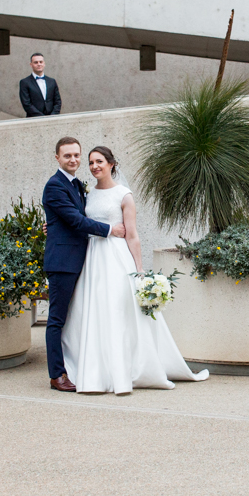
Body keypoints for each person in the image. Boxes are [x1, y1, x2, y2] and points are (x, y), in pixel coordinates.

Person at [62, 146, 209, 394]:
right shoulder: (88, 194)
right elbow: (77, 221)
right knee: (95, 311)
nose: (94, 166)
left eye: (99, 161)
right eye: (91, 162)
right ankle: (97, 370)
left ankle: (127, 369)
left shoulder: (124, 195)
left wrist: (139, 268)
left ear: (111, 164)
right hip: (93, 257)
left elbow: (132, 235)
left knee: (119, 311)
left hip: (116, 258)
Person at [43, 137, 126, 392]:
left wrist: (52, 225)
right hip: (63, 262)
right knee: (57, 319)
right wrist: (110, 229)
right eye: (67, 155)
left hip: (82, 259)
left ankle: (77, 366)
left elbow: (72, 217)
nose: (73, 160)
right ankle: (57, 375)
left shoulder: (77, 184)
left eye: (76, 155)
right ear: (57, 158)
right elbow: (76, 220)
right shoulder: (55, 185)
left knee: (76, 318)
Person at [19, 53, 62, 117]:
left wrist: (53, 116)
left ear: (44, 64)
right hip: (34, 119)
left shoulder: (52, 81)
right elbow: (26, 104)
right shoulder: (24, 82)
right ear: (31, 65)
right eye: (36, 62)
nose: (39, 64)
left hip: (52, 118)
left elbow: (58, 101)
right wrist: (42, 117)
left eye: (41, 62)